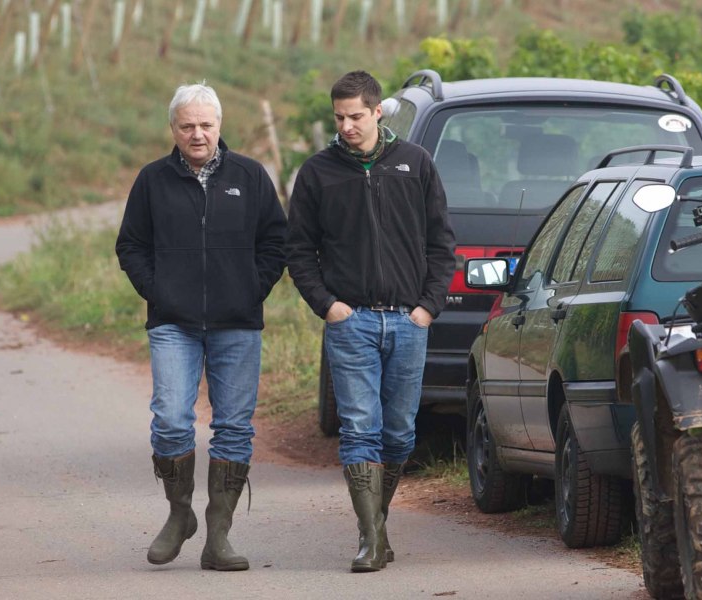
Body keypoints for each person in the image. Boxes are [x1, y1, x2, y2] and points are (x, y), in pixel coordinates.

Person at [286, 70, 456, 573]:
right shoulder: (317, 173)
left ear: (378, 111)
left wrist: (428, 307)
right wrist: (328, 306)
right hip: (351, 322)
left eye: (356, 116)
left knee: (399, 433)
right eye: (339, 117)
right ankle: (370, 539)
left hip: (408, 320)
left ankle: (377, 523)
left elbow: (441, 242)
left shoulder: (415, 163)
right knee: (360, 429)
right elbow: (299, 250)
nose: (347, 126)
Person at [116, 82, 287, 571]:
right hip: (174, 322)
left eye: (205, 125)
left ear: (220, 125)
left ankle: (218, 536)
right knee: (171, 420)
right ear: (173, 128)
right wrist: (159, 291)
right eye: (187, 125)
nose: (197, 134)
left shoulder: (251, 176)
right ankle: (179, 514)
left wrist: (251, 289)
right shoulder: (152, 180)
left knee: (233, 427)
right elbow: (131, 246)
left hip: (238, 323)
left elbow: (276, 241)